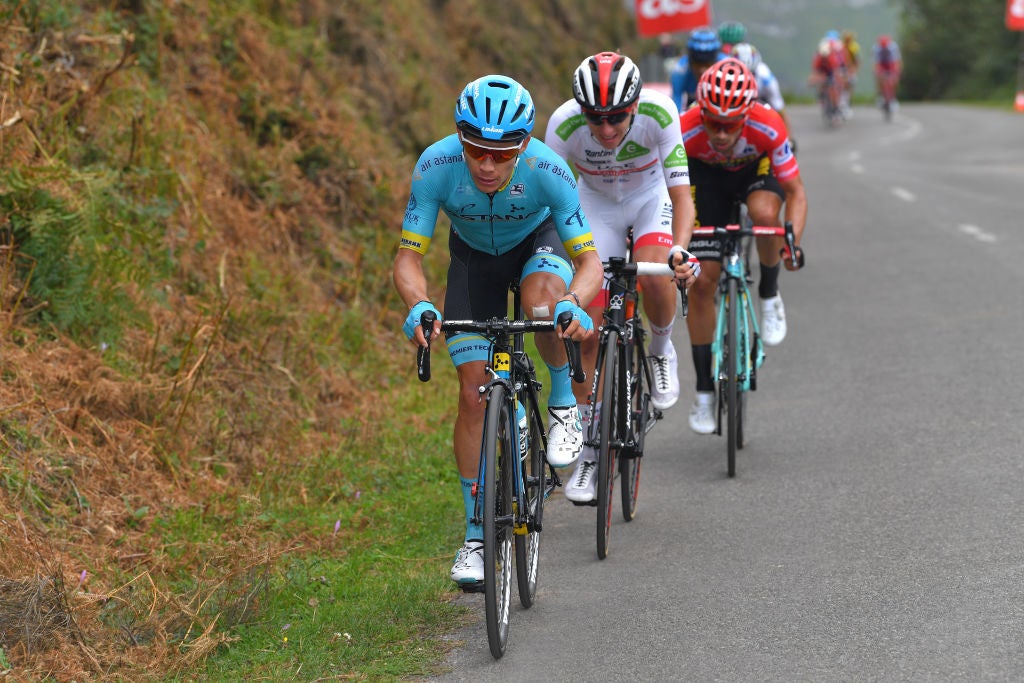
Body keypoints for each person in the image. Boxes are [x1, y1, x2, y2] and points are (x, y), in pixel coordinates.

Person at [394, 75, 604, 585]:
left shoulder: (548, 170)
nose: (487, 165)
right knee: (473, 393)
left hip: (538, 246)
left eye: (502, 153)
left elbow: (589, 261)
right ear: (459, 138)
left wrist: (574, 302)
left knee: (542, 306)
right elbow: (408, 258)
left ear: (524, 144)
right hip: (473, 261)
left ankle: (562, 403)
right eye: (476, 150)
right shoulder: (436, 165)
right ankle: (475, 536)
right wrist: (419, 305)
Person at [544, 51, 700, 503]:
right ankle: (590, 453)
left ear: (635, 106)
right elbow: (550, 201)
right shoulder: (563, 125)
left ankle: (661, 349)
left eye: (617, 117)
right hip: (594, 204)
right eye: (596, 118)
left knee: (654, 275)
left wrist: (679, 249)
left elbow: (681, 197)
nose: (607, 128)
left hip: (650, 198)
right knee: (585, 331)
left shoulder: (660, 112)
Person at [678, 58, 807, 434]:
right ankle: (704, 391)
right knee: (702, 282)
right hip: (706, 178)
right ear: (701, 112)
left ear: (747, 115)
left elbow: (796, 193)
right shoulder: (684, 129)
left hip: (755, 171)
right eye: (713, 123)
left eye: (730, 125)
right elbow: (664, 191)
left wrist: (792, 245)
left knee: (765, 215)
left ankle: (769, 292)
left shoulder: (768, 124)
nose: (720, 134)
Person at [730, 42, 794, 136]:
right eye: (740, 74)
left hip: (762, 101)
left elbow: (780, 109)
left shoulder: (766, 78)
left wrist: (788, 138)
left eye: (751, 73)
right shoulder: (726, 74)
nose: (746, 78)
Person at [670, 26, 728, 112]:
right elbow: (676, 102)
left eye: (707, 64)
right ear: (690, 60)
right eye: (697, 63)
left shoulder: (727, 66)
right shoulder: (680, 71)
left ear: (716, 60)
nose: (702, 70)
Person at [808, 37, 846, 120]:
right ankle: (821, 96)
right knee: (821, 83)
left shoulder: (832, 58)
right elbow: (815, 72)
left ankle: (835, 107)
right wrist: (812, 80)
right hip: (822, 71)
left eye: (826, 56)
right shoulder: (818, 59)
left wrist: (839, 82)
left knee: (832, 88)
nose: (824, 57)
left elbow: (836, 72)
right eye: (823, 56)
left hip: (831, 72)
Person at [873, 34, 902, 109]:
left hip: (891, 63)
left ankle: (893, 98)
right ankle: (881, 96)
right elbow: (877, 63)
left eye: (885, 46)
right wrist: (877, 73)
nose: (884, 48)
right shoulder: (876, 48)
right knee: (880, 79)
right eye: (883, 46)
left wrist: (897, 72)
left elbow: (896, 61)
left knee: (893, 81)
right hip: (882, 63)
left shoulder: (893, 47)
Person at [841, 30, 861, 116]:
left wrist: (854, 71)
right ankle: (841, 102)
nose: (847, 40)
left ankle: (848, 103)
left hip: (851, 67)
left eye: (849, 39)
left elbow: (857, 61)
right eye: (846, 39)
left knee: (851, 84)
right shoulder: (841, 46)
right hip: (842, 67)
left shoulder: (854, 47)